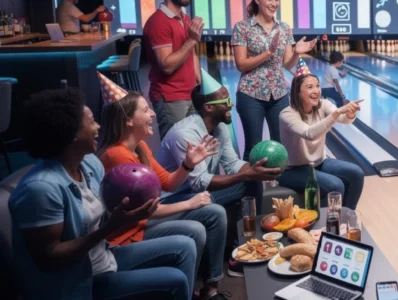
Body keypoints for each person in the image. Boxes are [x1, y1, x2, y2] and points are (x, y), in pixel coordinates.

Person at [8, 88, 196, 300]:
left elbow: (106, 213)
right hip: (79, 283)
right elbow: (49, 259)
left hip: (103, 258)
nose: (98, 126)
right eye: (90, 122)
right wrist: (110, 226)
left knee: (185, 245)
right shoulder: (40, 189)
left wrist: (130, 214)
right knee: (174, 280)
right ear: (70, 133)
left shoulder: (90, 164)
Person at [95, 74, 232, 300]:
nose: (153, 114)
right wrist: (189, 203)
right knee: (196, 228)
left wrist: (188, 164)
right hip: (128, 235)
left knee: (212, 212)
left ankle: (207, 288)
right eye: (145, 110)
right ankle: (185, 291)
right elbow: (145, 209)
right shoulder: (117, 156)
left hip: (142, 222)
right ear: (128, 120)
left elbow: (167, 182)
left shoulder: (138, 147)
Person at [157, 69, 282, 277]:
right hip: (174, 200)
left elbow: (232, 164)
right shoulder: (185, 135)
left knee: (253, 181)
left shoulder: (219, 126)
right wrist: (246, 174)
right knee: (247, 180)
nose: (231, 105)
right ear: (208, 108)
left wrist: (256, 170)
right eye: (225, 101)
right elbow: (200, 182)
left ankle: (246, 248)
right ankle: (234, 260)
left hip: (198, 194)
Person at [231, 0, 317, 163]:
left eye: (277, 0)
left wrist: (297, 53)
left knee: (281, 147)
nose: (274, 3)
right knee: (253, 148)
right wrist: (268, 52)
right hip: (250, 95)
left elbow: (287, 64)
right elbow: (241, 64)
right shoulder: (242, 27)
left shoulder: (284, 28)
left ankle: (281, 186)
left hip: (279, 94)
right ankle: (251, 188)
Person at [277, 64, 365, 210]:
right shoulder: (287, 114)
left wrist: (350, 113)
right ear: (298, 92)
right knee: (335, 185)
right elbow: (309, 134)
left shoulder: (323, 105)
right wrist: (336, 114)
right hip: (293, 170)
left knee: (356, 173)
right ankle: (322, 225)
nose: (316, 90)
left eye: (317, 86)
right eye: (310, 87)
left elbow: (344, 118)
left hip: (319, 163)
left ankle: (345, 218)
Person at [144, 0, 203, 139]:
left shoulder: (185, 18)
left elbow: (191, 54)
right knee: (175, 150)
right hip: (170, 97)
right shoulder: (158, 22)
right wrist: (191, 41)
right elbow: (167, 66)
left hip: (190, 94)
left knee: (192, 147)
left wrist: (201, 87)